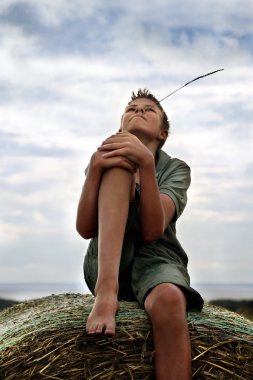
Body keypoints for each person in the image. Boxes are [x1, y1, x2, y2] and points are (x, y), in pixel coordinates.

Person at [76, 89, 203, 380]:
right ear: (120, 125)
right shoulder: (106, 159)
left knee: (170, 298)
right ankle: (106, 293)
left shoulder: (176, 169)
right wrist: (96, 168)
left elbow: (152, 229)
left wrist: (145, 163)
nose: (139, 111)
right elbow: (85, 228)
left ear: (163, 133)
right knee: (119, 165)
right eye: (131, 108)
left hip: (158, 260)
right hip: (108, 261)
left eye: (149, 110)